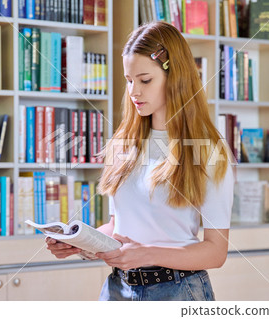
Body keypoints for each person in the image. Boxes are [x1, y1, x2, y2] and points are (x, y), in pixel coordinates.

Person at [46, 21, 234, 301]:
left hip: (178, 291)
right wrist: (79, 242)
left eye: (145, 80)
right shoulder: (123, 143)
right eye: (129, 80)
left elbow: (216, 251)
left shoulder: (208, 150)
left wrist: (146, 254)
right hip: (117, 290)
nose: (134, 91)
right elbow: (118, 227)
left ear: (175, 77)